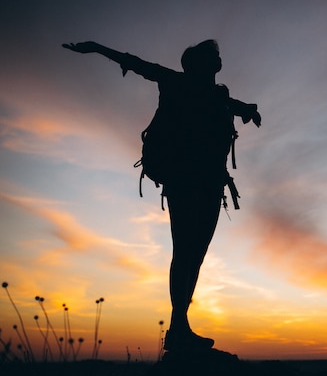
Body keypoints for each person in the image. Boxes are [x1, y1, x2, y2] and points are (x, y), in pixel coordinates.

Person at [62, 40, 261, 353]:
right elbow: (137, 63)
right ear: (198, 63)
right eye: (213, 56)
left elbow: (229, 103)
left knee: (195, 254)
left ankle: (180, 327)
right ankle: (178, 329)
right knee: (184, 251)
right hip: (184, 181)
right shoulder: (176, 82)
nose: (219, 59)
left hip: (211, 184)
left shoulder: (218, 95)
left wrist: (247, 109)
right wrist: (98, 48)